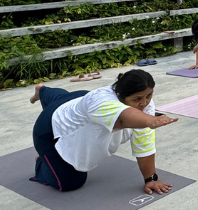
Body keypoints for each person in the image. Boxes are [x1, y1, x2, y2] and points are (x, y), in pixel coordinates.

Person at [28, 70, 177, 193]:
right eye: (137, 98)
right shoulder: (101, 102)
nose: (144, 103)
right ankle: (43, 160)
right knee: (70, 183)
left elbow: (144, 143)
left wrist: (150, 179)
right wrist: (150, 121)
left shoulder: (142, 104)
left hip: (77, 98)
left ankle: (42, 90)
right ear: (119, 96)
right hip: (49, 130)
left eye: (149, 95)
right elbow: (124, 119)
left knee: (62, 98)